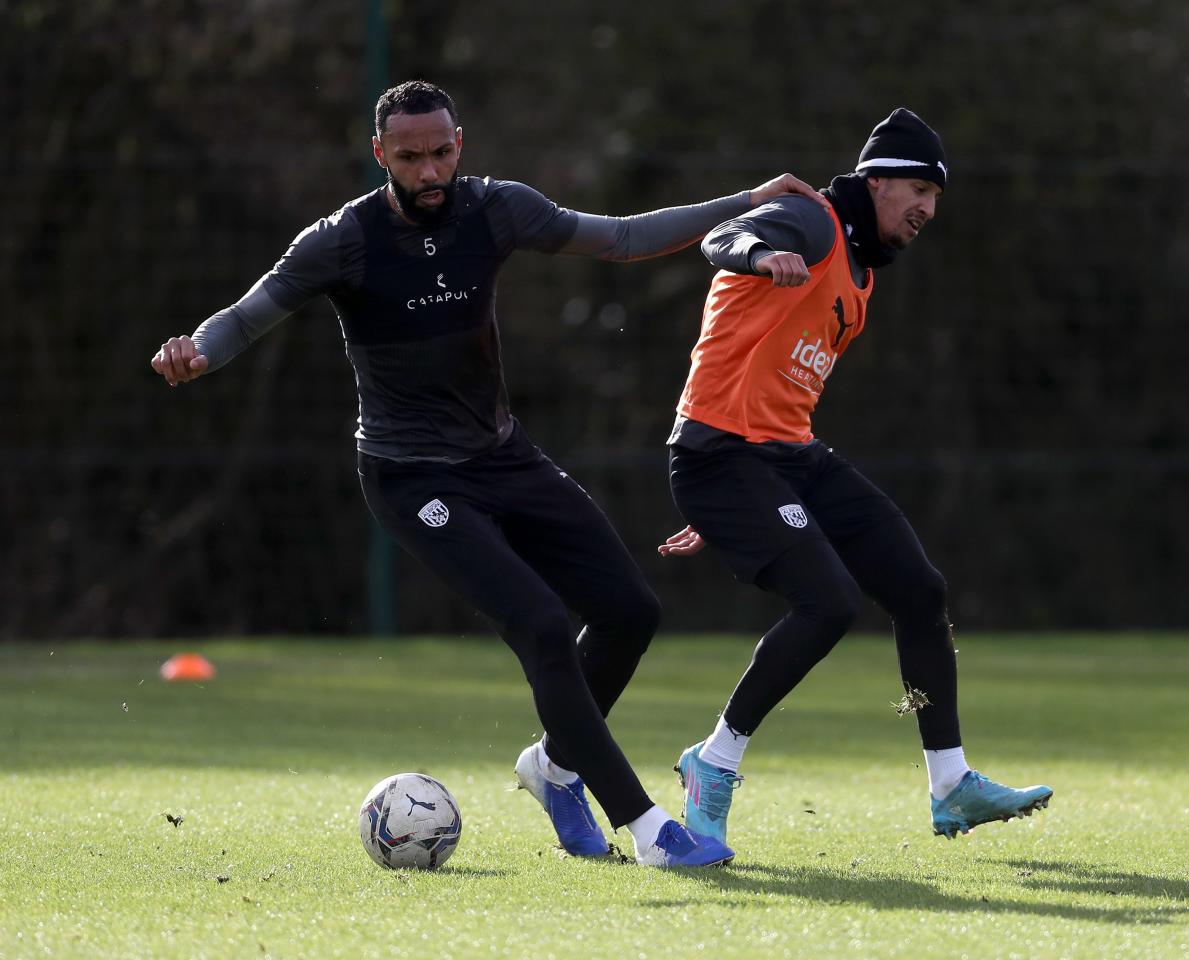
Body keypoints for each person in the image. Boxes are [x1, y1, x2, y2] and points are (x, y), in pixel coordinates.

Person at [150, 80, 827, 868]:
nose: (429, 170)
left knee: (630, 611)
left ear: (459, 143)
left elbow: (624, 237)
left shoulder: (496, 208)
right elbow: (248, 313)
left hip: (502, 455)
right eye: (410, 157)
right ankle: (647, 830)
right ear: (380, 155)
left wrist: (744, 200)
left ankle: (553, 768)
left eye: (441, 152)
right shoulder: (342, 240)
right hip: (413, 479)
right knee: (540, 625)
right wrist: (197, 348)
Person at [659, 108, 1052, 845]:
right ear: (875, 183)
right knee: (830, 602)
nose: (928, 209)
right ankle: (713, 761)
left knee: (919, 590)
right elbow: (719, 238)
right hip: (722, 454)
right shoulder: (810, 223)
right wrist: (754, 254)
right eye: (917, 191)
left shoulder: (863, 269)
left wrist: (750, 507)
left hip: (785, 459)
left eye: (936, 198)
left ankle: (951, 784)